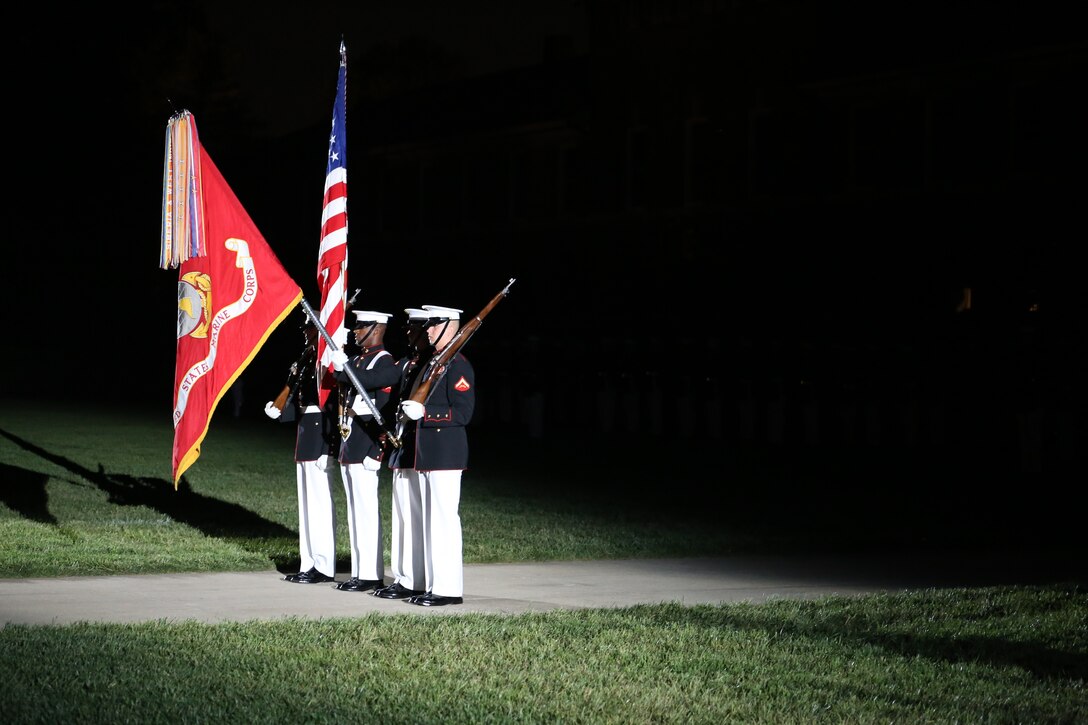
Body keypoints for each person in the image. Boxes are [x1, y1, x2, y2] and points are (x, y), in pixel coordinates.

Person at [397, 304, 474, 607]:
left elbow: (464, 413)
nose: (427, 330)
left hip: (446, 454)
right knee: (431, 521)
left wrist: (427, 412)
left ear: (448, 327)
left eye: (433, 324)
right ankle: (432, 584)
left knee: (443, 520)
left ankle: (447, 589)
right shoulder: (435, 363)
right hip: (428, 453)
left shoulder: (458, 366)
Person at [329, 311, 402, 593]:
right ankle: (360, 572)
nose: (356, 331)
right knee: (355, 513)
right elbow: (344, 378)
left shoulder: (385, 362)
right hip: (351, 444)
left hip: (366, 446)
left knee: (366, 512)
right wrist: (339, 360)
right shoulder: (360, 360)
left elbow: (379, 401)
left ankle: (371, 574)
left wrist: (377, 450)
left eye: (361, 327)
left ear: (377, 329)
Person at [264, 322, 338, 585]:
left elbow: (332, 404)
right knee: (307, 506)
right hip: (306, 434)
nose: (305, 332)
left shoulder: (327, 358)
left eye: (310, 328)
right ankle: (309, 563)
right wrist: (281, 409)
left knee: (320, 505)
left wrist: (328, 446)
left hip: (319, 438)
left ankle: (324, 565)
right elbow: (299, 398)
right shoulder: (307, 357)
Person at [372, 308, 433, 601]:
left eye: (415, 329)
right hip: (401, 446)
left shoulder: (432, 365)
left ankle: (416, 578)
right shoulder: (408, 363)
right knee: (402, 516)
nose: (408, 333)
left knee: (417, 516)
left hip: (417, 448)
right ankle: (404, 577)